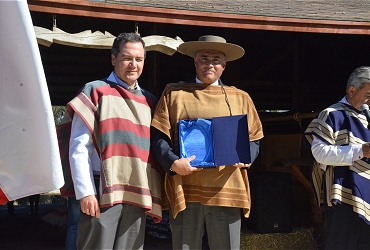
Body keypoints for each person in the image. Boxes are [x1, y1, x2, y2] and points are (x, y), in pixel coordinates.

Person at [151, 35, 264, 249]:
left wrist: (245, 157)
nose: (209, 64)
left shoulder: (240, 97)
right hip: (187, 189)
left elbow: (255, 139)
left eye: (215, 59)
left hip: (226, 189)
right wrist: (173, 163)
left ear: (224, 65)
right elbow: (158, 136)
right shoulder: (175, 93)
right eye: (204, 58)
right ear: (195, 61)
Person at [68, 32, 162, 249]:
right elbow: (79, 147)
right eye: (127, 58)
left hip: (137, 191)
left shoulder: (150, 100)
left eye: (139, 60)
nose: (133, 65)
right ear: (113, 59)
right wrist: (86, 193)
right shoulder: (95, 91)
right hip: (102, 190)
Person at [305, 66, 370, 249]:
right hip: (344, 195)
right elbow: (319, 153)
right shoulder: (332, 114)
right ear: (352, 90)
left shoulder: (368, 117)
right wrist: (360, 150)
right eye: (368, 95)